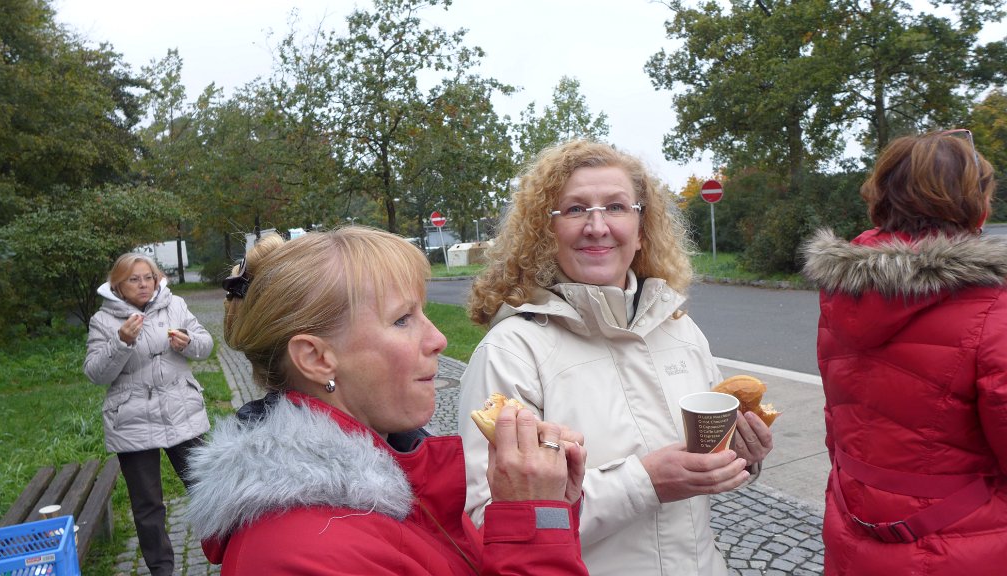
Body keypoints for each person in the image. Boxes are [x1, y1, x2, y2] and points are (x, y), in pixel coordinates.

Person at [184, 227, 590, 575]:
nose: (438, 339)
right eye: (402, 319)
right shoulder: (300, 552)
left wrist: (544, 507)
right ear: (316, 358)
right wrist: (533, 517)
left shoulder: (399, 470)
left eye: (422, 313)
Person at [457, 139, 774, 575]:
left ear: (642, 229)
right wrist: (645, 483)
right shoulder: (512, 351)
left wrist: (741, 454)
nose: (597, 226)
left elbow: (705, 459)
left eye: (616, 207)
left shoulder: (680, 330)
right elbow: (488, 523)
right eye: (575, 209)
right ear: (545, 232)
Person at [802, 129, 1007, 575]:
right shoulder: (994, 308)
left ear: (881, 200)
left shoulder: (844, 294)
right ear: (976, 206)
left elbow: (841, 422)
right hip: (962, 545)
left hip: (852, 523)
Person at [83, 252, 213, 576]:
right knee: (147, 506)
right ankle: (161, 569)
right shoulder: (103, 321)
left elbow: (206, 344)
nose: (143, 284)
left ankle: (229, 549)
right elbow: (95, 373)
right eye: (134, 279)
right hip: (133, 420)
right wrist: (121, 342)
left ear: (156, 280)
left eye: (148, 278)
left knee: (208, 488)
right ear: (118, 285)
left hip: (181, 410)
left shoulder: (175, 305)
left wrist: (188, 343)